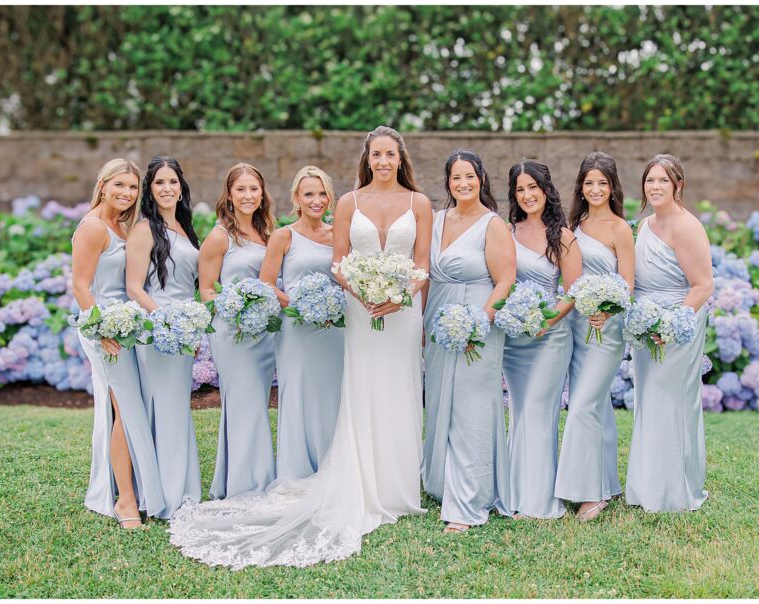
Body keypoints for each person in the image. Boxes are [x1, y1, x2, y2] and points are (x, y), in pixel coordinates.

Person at [168, 125, 432, 570]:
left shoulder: (419, 203)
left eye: (390, 154)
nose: (383, 161)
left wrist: (402, 295)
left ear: (400, 157)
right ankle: (358, 479)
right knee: (361, 393)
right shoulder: (347, 204)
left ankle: (399, 486)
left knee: (400, 393)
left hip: (400, 312)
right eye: (376, 154)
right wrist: (365, 294)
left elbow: (422, 263)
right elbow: (339, 264)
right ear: (366, 159)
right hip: (360, 311)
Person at [421, 149, 515, 533]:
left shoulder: (493, 224)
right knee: (441, 399)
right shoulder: (436, 219)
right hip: (438, 322)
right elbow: (424, 274)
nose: (463, 184)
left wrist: (480, 322)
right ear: (448, 182)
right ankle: (441, 482)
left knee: (472, 406)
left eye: (470, 177)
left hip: (479, 323)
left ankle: (468, 501)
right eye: (456, 177)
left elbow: (506, 279)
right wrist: (420, 324)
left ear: (481, 180)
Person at [73, 158, 165, 528]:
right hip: (104, 329)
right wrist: (101, 329)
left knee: (125, 408)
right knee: (125, 409)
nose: (127, 194)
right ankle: (125, 500)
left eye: (132, 188)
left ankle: (130, 488)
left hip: (125, 326)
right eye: (119, 186)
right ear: (102, 184)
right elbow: (80, 285)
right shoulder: (93, 228)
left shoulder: (121, 224)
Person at [625, 154, 713, 512]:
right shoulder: (644, 225)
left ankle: (674, 491)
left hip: (678, 324)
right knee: (649, 399)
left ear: (679, 185)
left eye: (663, 180)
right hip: (647, 325)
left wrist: (670, 325)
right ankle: (647, 487)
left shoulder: (687, 226)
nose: (655, 187)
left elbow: (702, 285)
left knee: (671, 400)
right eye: (650, 181)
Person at [554, 151, 635, 521]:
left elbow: (628, 284)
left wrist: (608, 309)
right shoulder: (575, 225)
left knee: (584, 404)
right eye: (589, 182)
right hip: (577, 328)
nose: (596, 188)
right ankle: (606, 484)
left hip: (608, 329)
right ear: (581, 187)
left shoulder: (620, 228)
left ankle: (586, 492)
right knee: (598, 407)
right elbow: (568, 279)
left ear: (612, 186)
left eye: (602, 182)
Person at [503, 160, 581, 520]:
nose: (527, 195)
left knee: (538, 409)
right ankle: (514, 493)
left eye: (533, 187)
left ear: (546, 190)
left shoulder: (562, 236)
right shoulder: (507, 232)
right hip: (515, 340)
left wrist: (546, 320)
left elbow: (573, 291)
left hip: (550, 336)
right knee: (519, 411)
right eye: (520, 189)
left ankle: (538, 500)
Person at [125, 156, 202, 520]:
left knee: (177, 410)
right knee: (164, 408)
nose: (167, 188)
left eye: (173, 182)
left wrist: (192, 323)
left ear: (181, 188)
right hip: (158, 332)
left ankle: (182, 490)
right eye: (159, 183)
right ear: (150, 190)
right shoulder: (144, 230)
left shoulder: (185, 229)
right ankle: (163, 496)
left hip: (184, 331)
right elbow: (134, 288)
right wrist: (166, 320)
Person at [259, 166, 343, 481]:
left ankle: (332, 466)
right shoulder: (284, 235)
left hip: (333, 330)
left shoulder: (338, 235)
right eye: (309, 194)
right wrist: (300, 305)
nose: (317, 200)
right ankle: (297, 471)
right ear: (297, 197)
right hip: (296, 330)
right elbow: (266, 283)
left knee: (332, 395)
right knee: (298, 393)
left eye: (322, 194)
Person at [199, 162, 278, 499]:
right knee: (244, 402)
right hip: (233, 334)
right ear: (229, 195)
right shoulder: (220, 236)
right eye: (241, 189)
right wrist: (235, 310)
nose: (248, 195)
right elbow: (206, 290)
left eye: (254, 189)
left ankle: (245, 478)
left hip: (264, 334)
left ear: (262, 194)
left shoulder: (269, 233)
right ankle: (249, 486)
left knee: (256, 403)